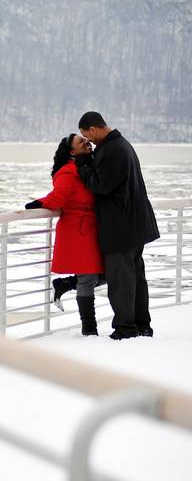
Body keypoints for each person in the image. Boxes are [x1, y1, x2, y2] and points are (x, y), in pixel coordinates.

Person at [71, 111, 159, 340]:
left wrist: (82, 164)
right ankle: (142, 325)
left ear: (92, 128)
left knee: (121, 281)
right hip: (135, 224)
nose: (87, 140)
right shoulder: (121, 145)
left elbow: (101, 185)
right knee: (136, 278)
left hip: (121, 226)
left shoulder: (113, 150)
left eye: (85, 135)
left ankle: (125, 329)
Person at [25, 134, 105, 336]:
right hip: (78, 231)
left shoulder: (88, 166)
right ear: (71, 152)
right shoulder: (68, 171)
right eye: (81, 141)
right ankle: (89, 330)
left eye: (86, 140)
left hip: (93, 227)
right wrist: (40, 203)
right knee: (88, 278)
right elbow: (59, 196)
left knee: (111, 273)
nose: (87, 142)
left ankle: (66, 283)